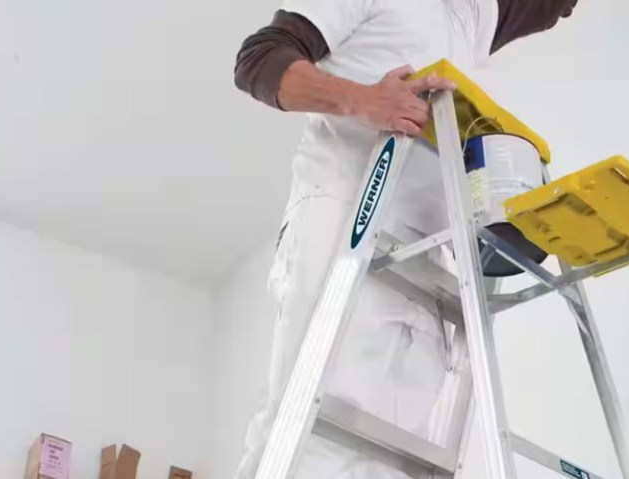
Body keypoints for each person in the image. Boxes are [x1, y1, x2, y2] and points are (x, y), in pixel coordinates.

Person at [233, 0, 578, 477]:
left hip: (422, 253)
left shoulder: (474, 18)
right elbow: (260, 58)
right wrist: (364, 100)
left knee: (389, 457)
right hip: (348, 212)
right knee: (308, 433)